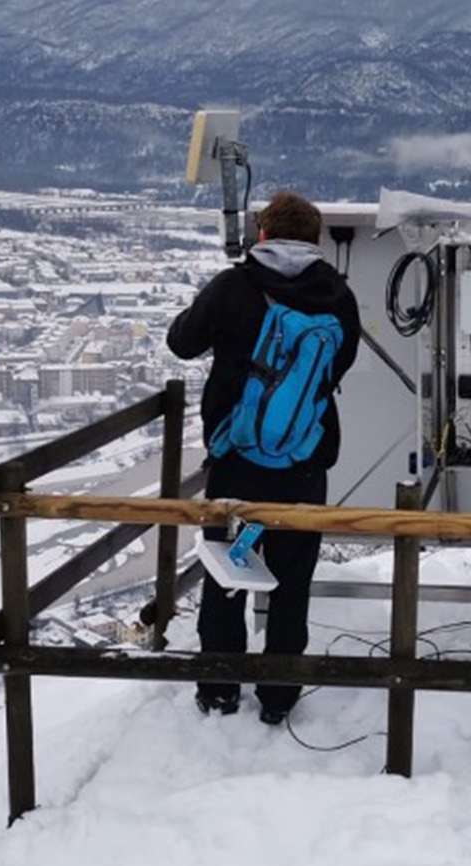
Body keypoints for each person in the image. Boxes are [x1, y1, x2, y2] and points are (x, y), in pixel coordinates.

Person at [167, 190, 361, 724]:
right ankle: (278, 697)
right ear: (316, 240)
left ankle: (220, 690)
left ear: (263, 235)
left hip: (235, 461)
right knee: (292, 581)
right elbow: (337, 368)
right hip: (304, 465)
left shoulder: (235, 285)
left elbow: (181, 342)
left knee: (228, 574)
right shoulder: (338, 297)